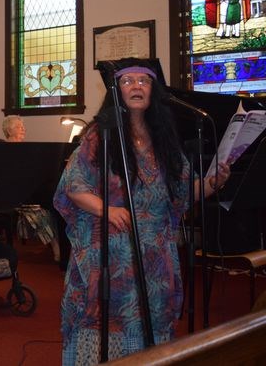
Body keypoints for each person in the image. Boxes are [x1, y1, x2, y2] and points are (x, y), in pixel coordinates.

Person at [53, 58, 231, 364]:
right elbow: (73, 186)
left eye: (143, 81)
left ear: (153, 91)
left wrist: (214, 183)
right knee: (107, 327)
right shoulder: (101, 135)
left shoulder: (165, 141)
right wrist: (106, 209)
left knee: (153, 326)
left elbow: (185, 192)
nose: (136, 86)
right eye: (127, 81)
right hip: (111, 254)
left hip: (155, 260)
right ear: (116, 90)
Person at [0, 115, 61, 262]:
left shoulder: (25, 148)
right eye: (19, 127)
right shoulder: (4, 150)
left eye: (23, 126)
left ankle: (62, 243)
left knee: (55, 203)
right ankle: (55, 245)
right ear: (9, 130)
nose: (23, 129)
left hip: (30, 189)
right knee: (41, 211)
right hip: (15, 193)